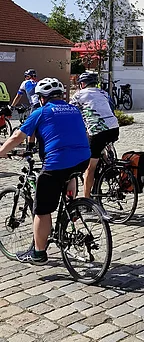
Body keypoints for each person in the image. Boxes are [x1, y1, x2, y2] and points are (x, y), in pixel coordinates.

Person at [0, 78, 90, 265]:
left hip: (58, 162)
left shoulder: (41, 111)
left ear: (42, 98)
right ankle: (71, 207)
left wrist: (2, 151)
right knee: (69, 173)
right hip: (83, 159)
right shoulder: (74, 109)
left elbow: (17, 136)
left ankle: (39, 254)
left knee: (42, 210)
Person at [70, 71, 120, 198]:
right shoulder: (104, 93)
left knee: (90, 167)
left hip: (98, 131)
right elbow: (111, 108)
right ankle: (108, 165)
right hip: (114, 128)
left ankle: (86, 200)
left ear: (82, 84)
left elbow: (70, 113)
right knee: (99, 146)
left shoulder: (79, 95)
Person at [10, 69, 40, 149]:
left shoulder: (25, 83)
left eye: (26, 76)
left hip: (35, 105)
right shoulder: (39, 83)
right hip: (44, 105)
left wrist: (12, 106)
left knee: (31, 126)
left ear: (28, 76)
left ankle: (30, 147)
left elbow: (18, 96)